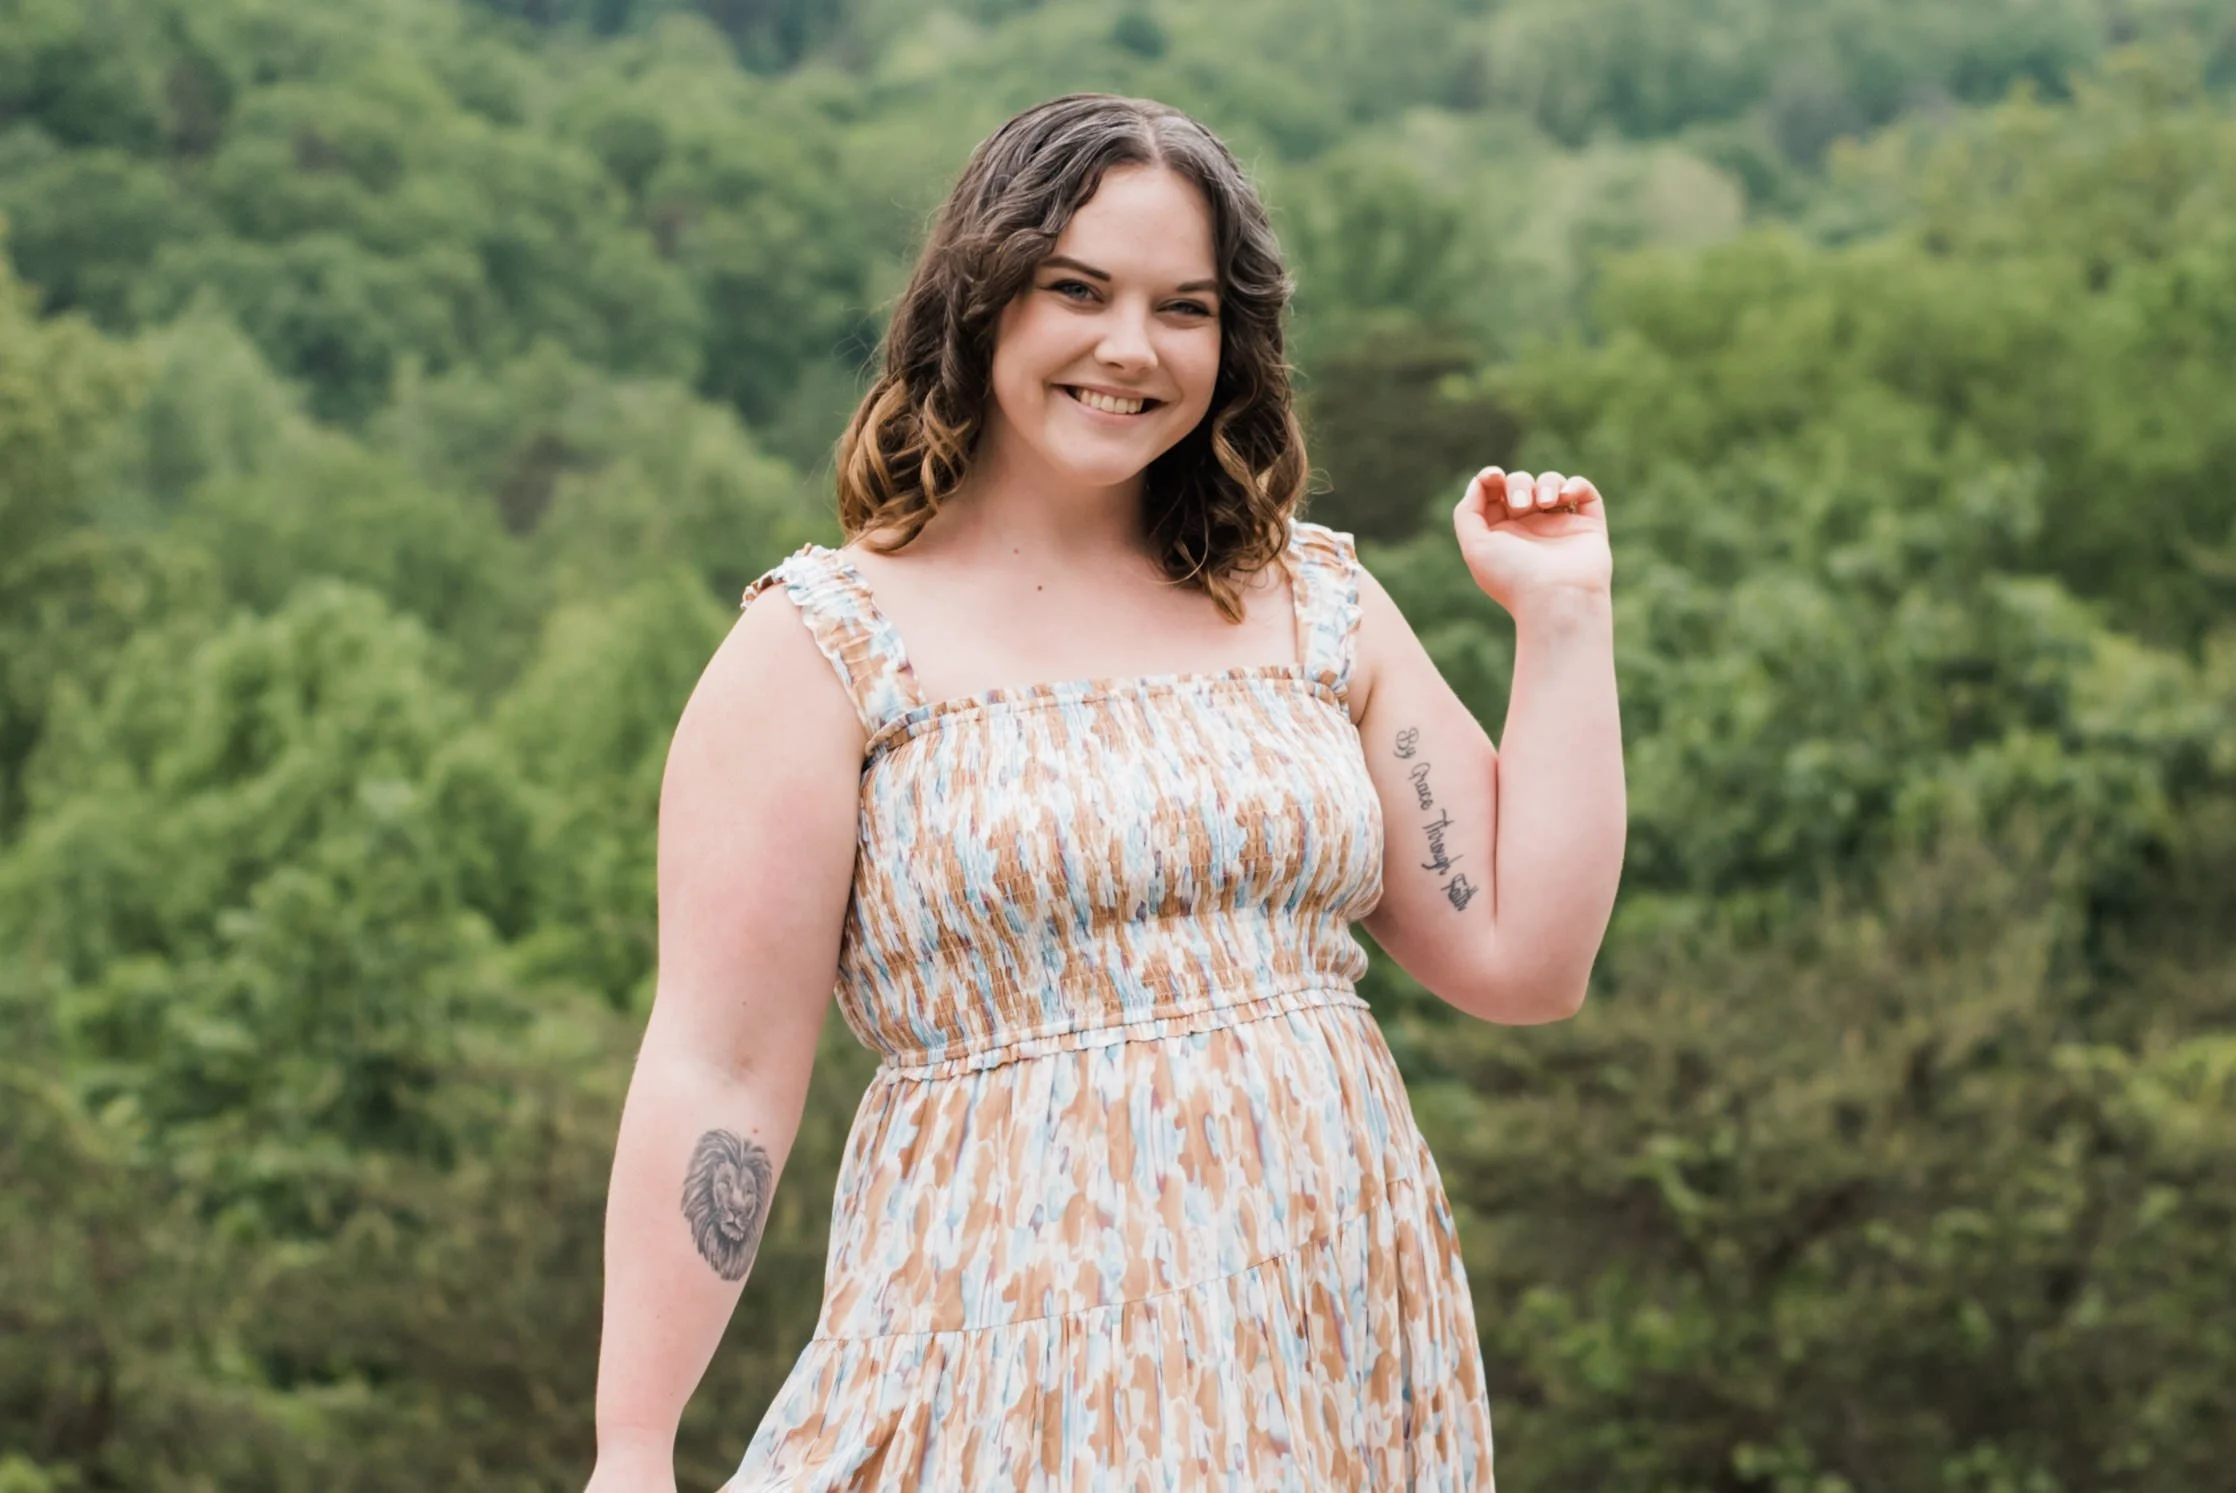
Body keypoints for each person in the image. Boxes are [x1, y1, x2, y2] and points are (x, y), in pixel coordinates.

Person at [584, 92, 1625, 1492]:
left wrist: (1563, 621)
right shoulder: (823, 646)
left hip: (1319, 1333)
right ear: (983, 302)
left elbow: (1525, 959)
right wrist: (633, 1448)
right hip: (1002, 1353)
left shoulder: (1316, 605)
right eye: (1078, 290)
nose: (1128, 348)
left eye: (1183, 308)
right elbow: (719, 1072)